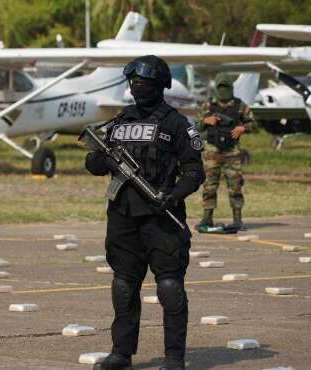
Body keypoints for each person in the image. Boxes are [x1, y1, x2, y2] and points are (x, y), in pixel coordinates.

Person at [85, 55, 205, 370]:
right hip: (123, 216)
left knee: (169, 287)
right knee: (123, 285)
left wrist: (173, 195)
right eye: (134, 82)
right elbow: (92, 161)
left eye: (145, 83)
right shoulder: (119, 121)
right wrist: (107, 162)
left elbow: (195, 172)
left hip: (161, 217)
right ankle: (121, 354)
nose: (139, 87)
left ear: (160, 85)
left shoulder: (176, 123)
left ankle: (174, 358)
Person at [195, 73, 257, 231]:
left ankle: (237, 220)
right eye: (220, 87)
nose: (223, 90)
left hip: (232, 152)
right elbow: (195, 126)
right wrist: (205, 121)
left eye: (226, 87)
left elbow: (254, 123)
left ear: (231, 87)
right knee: (209, 186)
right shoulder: (207, 106)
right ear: (216, 88)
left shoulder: (240, 106)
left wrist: (243, 127)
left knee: (235, 186)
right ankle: (207, 219)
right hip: (211, 152)